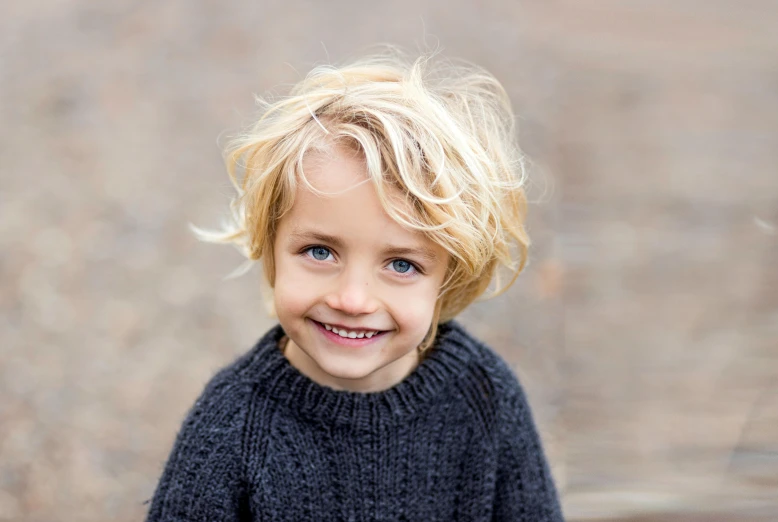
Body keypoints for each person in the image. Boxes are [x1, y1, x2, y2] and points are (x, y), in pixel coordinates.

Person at [144, 48, 564, 521]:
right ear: (271, 245)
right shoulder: (232, 424)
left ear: (449, 276)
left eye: (401, 265)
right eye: (320, 252)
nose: (353, 300)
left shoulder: (485, 396)